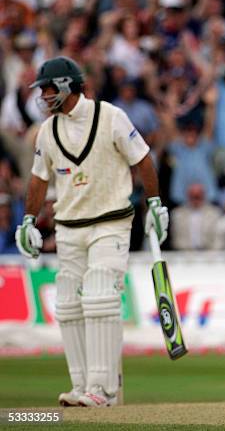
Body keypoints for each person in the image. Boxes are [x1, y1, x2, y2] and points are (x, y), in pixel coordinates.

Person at [14, 56, 169, 407]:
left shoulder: (109, 116)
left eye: (49, 88)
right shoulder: (48, 131)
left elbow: (142, 159)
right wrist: (27, 219)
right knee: (69, 302)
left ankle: (103, 389)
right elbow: (39, 178)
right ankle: (81, 384)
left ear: (68, 85)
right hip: (69, 226)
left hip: (111, 220)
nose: (44, 95)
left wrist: (156, 203)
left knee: (100, 296)